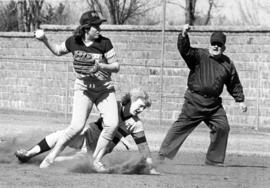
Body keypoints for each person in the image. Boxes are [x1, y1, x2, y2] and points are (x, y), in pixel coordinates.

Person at [33, 11, 120, 171]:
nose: (99, 28)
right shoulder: (73, 41)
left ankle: (94, 161)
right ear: (86, 28)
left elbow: (116, 66)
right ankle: (51, 157)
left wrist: (100, 66)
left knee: (112, 124)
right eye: (96, 25)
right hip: (84, 89)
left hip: (104, 90)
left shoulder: (105, 43)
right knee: (76, 127)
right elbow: (58, 51)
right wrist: (44, 40)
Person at [157, 24, 247, 166]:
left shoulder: (227, 63)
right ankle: (163, 155)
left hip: (214, 105)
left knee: (222, 127)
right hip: (195, 101)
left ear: (224, 47)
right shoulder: (199, 55)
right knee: (181, 127)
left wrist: (240, 100)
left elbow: (233, 82)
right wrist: (184, 35)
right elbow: (184, 50)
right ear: (210, 44)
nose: (216, 46)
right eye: (213, 44)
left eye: (219, 44)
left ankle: (214, 160)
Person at [15, 88, 159, 174]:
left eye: (143, 108)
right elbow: (108, 125)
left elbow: (143, 147)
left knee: (70, 163)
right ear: (131, 100)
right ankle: (28, 154)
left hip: (94, 152)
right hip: (87, 135)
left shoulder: (136, 124)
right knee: (60, 135)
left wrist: (151, 167)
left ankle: (44, 161)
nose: (140, 110)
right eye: (139, 105)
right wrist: (123, 139)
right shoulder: (114, 106)